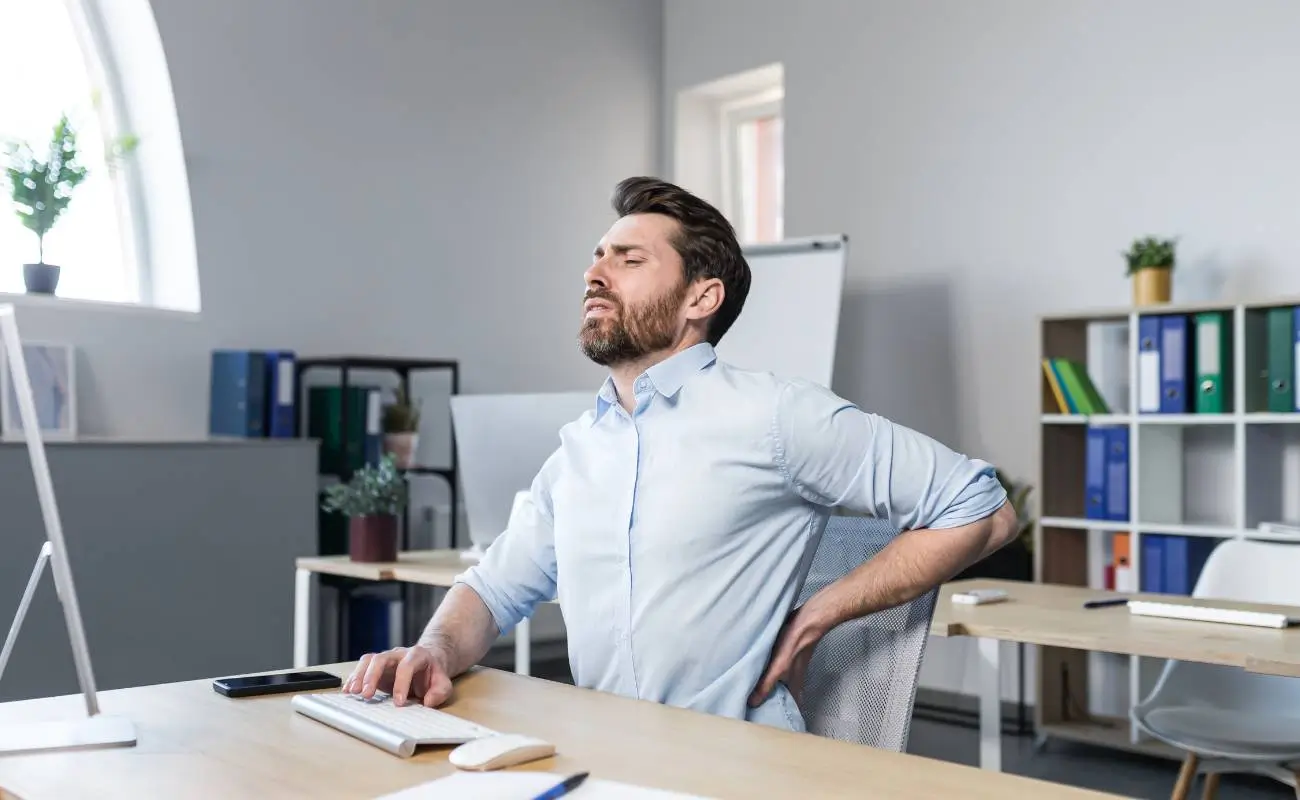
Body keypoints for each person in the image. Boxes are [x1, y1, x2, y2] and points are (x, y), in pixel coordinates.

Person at [344, 176, 1016, 732]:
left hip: (733, 768)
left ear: (702, 297)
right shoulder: (580, 450)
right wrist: (433, 650)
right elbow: (491, 590)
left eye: (628, 260)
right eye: (597, 256)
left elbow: (982, 508)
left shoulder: (776, 415)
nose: (594, 273)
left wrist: (822, 611)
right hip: (610, 758)